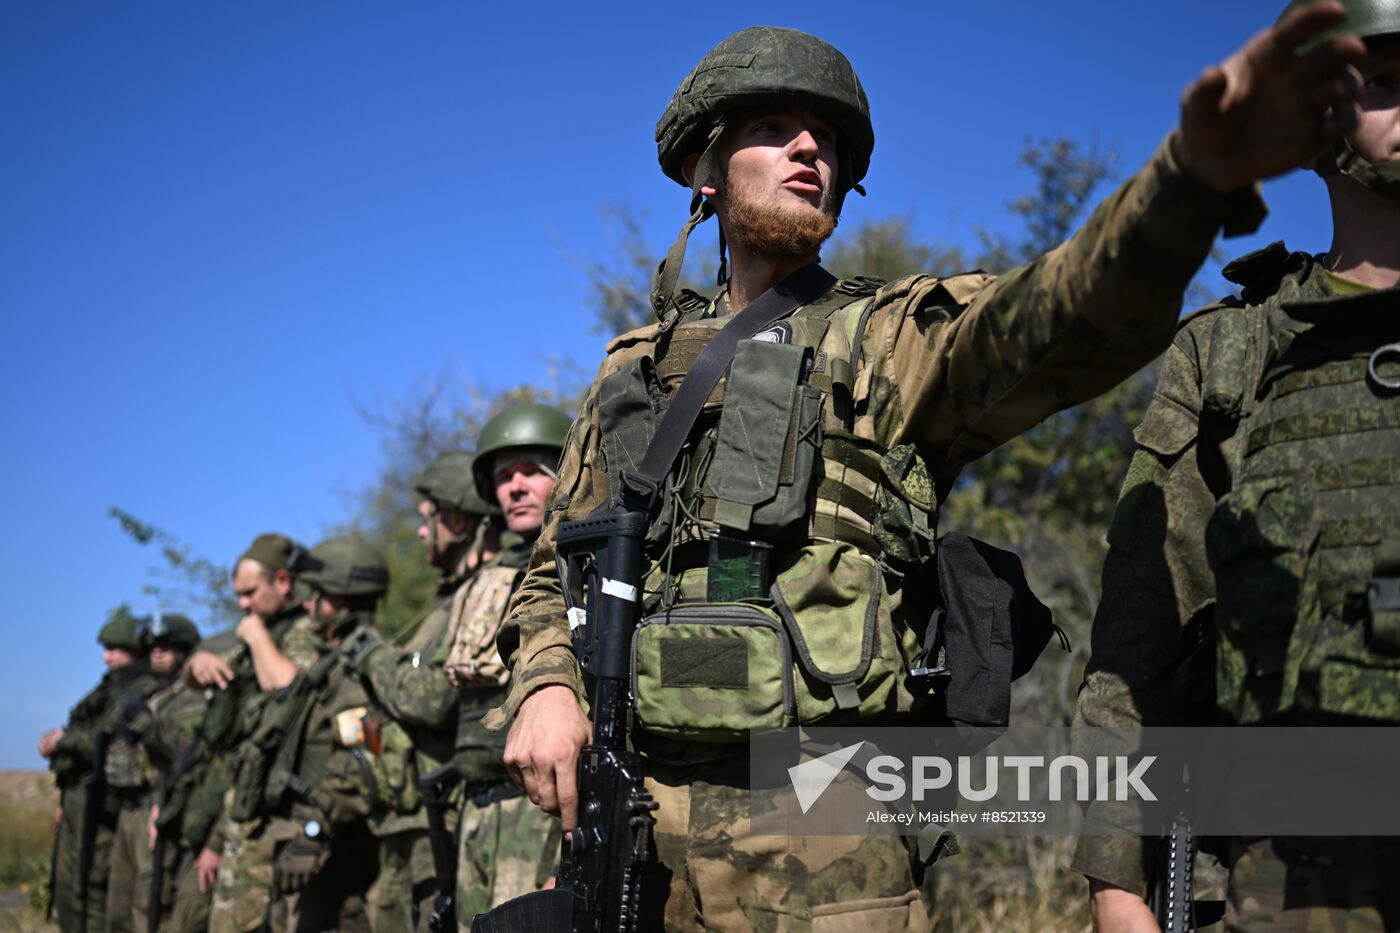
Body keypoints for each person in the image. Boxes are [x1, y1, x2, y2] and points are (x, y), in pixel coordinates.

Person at [486, 10, 1370, 930]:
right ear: (705, 170)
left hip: (826, 843)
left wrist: (1188, 181)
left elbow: (1065, 311)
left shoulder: (894, 338)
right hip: (631, 833)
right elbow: (552, 570)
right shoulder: (631, 370)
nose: (807, 146)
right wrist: (548, 682)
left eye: (827, 137)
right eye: (772, 128)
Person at [1073, 1, 1400, 929]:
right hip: (1288, 873)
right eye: (1383, 81)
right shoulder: (1231, 350)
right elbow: (1141, 636)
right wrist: (1117, 880)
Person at [351, 450, 502, 931]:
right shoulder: (448, 598)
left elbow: (431, 698)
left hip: (451, 813)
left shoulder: (488, 592)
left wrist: (374, 659)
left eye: (426, 520)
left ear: (456, 520)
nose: (420, 533)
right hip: (413, 810)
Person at [446, 405, 568, 925]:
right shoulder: (479, 585)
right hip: (475, 808)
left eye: (528, 471)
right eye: (503, 477)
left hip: (540, 808)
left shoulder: (583, 566)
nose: (515, 487)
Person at [255, 536, 389, 932]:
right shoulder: (335, 662)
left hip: (335, 848)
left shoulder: (358, 667)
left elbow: (357, 761)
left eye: (316, 595)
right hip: (316, 841)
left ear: (338, 600)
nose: (308, 604)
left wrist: (313, 832)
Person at [192, 534, 321, 933]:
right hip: (243, 816)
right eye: (238, 596)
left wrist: (253, 636)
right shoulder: (258, 634)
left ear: (283, 582)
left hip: (285, 822)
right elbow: (203, 676)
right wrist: (196, 663)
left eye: (250, 593)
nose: (243, 605)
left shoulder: (305, 629)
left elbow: (290, 690)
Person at [41, 613, 158, 933]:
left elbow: (107, 738)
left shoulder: (142, 690)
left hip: (107, 804)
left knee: (94, 886)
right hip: (80, 799)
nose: (108, 656)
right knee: (68, 887)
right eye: (106, 648)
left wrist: (65, 740)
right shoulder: (107, 689)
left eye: (117, 648)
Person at [103, 613, 202, 933]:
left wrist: (146, 723)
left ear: (184, 650)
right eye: (152, 646)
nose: (157, 652)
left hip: (159, 806)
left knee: (150, 904)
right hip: (131, 807)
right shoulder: (153, 694)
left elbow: (187, 752)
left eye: (167, 646)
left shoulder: (193, 697)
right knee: (119, 905)